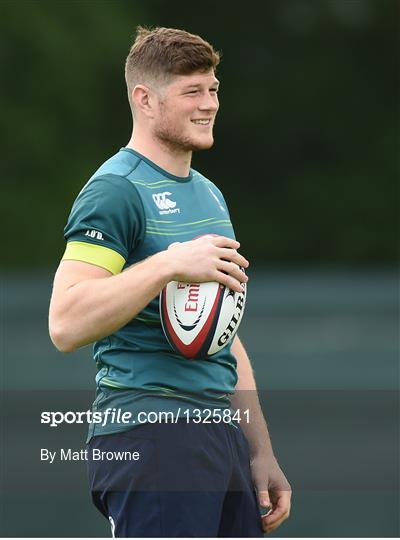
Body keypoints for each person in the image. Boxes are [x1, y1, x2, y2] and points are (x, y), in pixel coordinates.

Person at [49, 26, 291, 538]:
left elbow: (222, 333)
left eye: (214, 89)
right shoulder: (115, 190)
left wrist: (259, 448)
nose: (210, 104)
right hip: (152, 436)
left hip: (218, 437)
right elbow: (66, 322)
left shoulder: (210, 195)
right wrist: (167, 264)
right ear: (145, 99)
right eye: (192, 92)